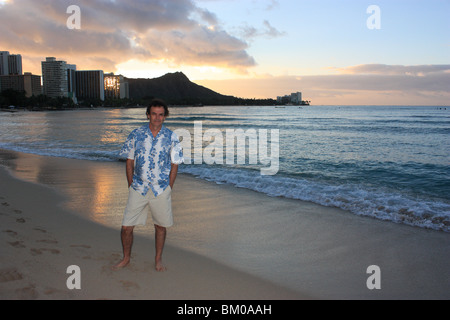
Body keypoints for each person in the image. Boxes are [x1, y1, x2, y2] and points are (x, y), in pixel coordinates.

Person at [113, 99, 184, 271]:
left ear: (165, 116)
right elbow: (129, 161)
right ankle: (126, 258)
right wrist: (131, 184)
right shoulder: (136, 134)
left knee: (160, 226)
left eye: (161, 114)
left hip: (161, 189)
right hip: (138, 187)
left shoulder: (171, 137)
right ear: (148, 115)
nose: (157, 118)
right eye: (154, 114)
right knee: (126, 227)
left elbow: (175, 164)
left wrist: (169, 187)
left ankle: (158, 259)